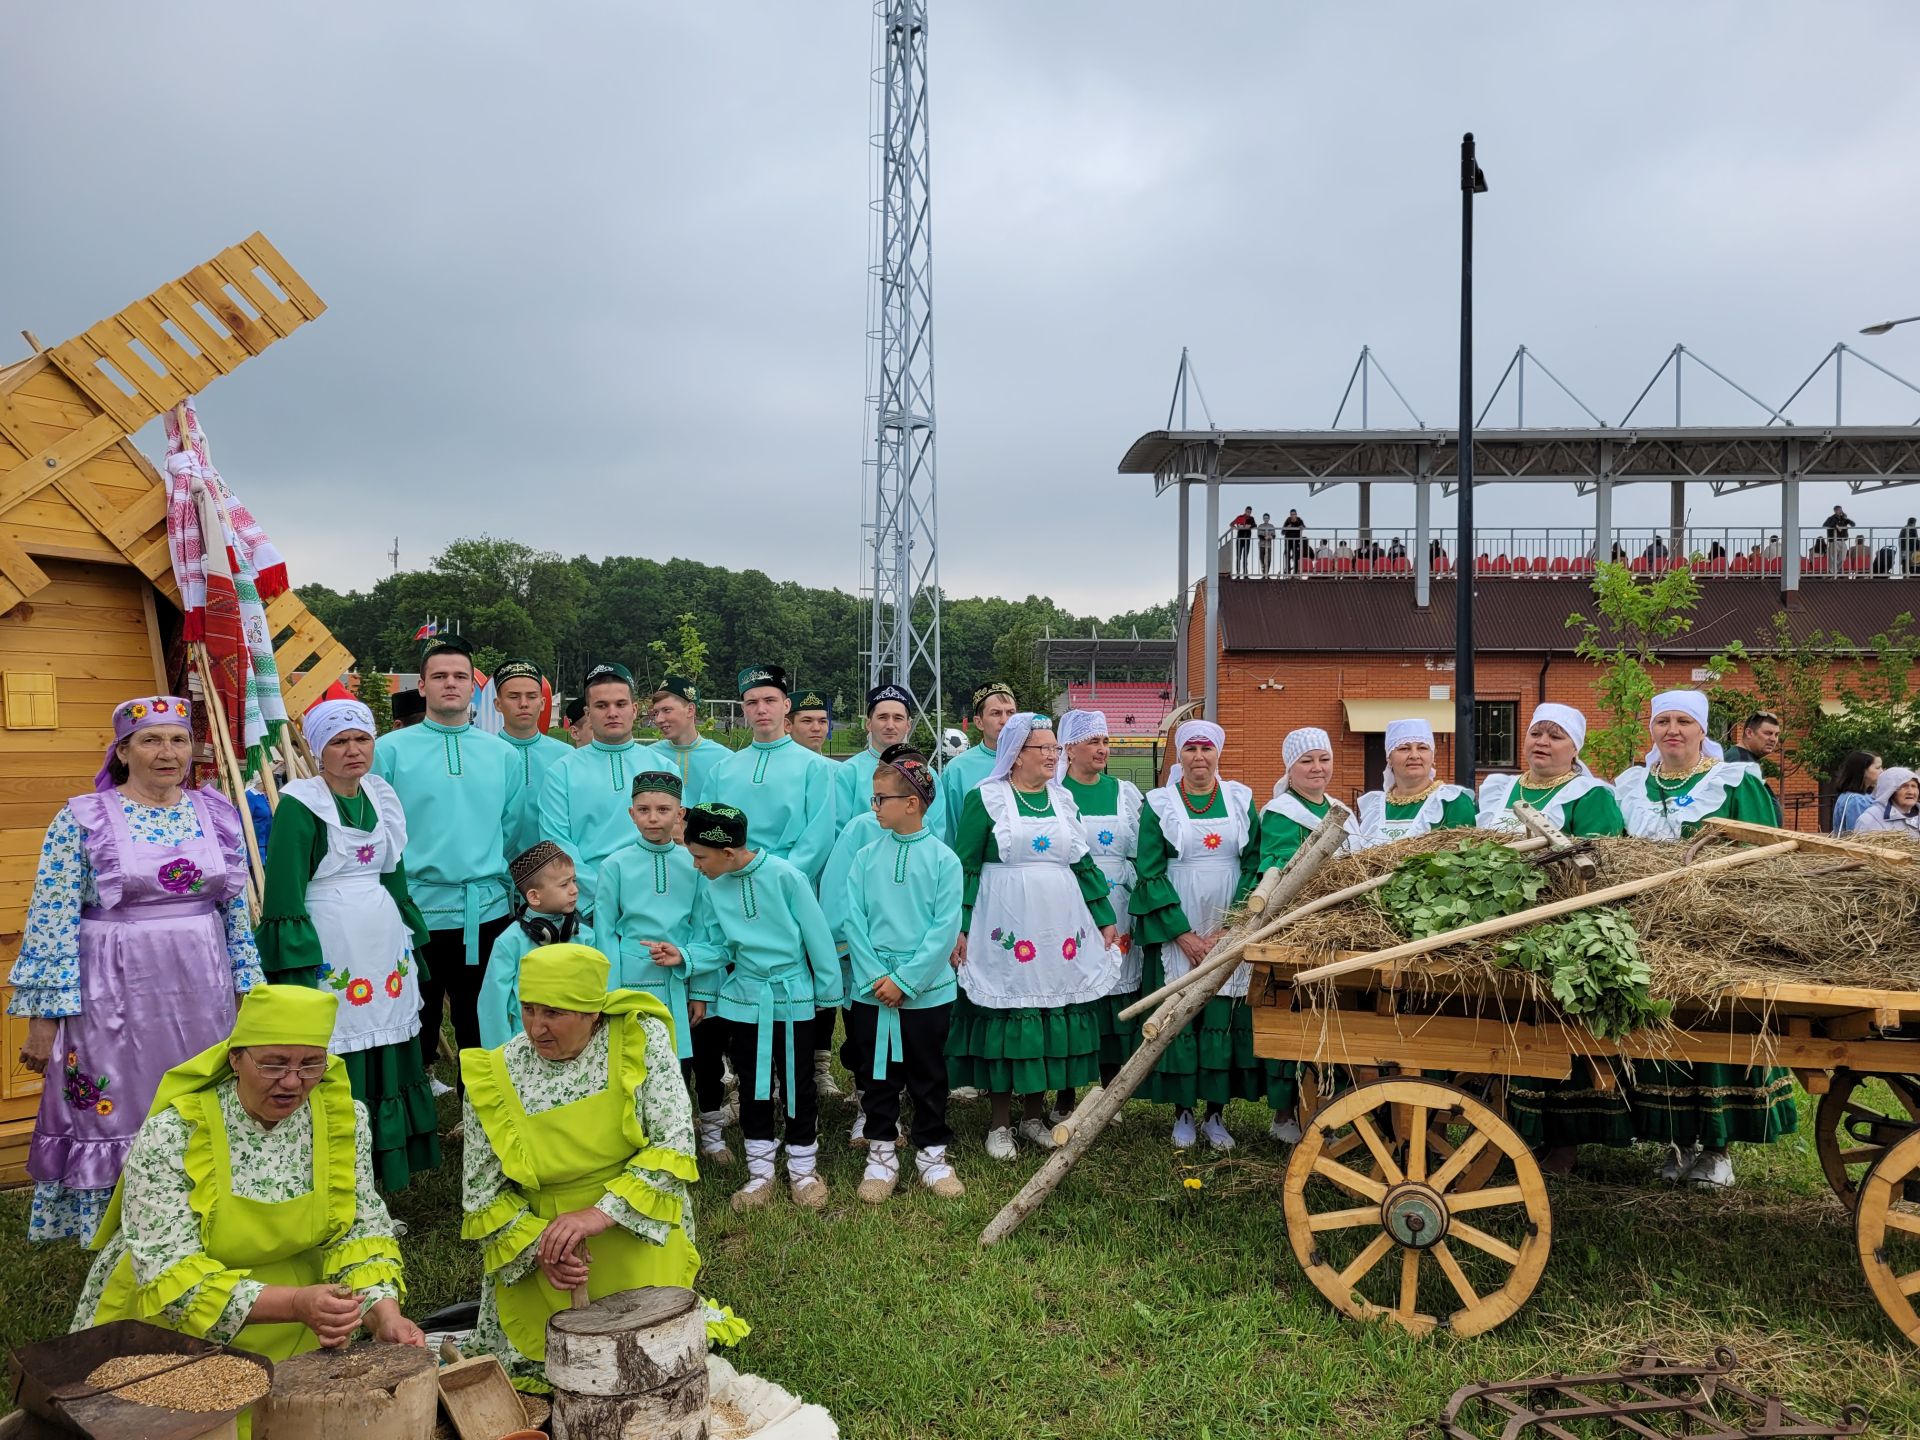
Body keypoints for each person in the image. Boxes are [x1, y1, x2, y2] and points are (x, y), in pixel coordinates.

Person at [74, 986, 420, 1395]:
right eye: (274, 1065)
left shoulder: (342, 1119)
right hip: (170, 1331)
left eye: (311, 1065)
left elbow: (360, 1229)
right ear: (236, 1058)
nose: (293, 1082)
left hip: (298, 1325)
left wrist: (384, 1315)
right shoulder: (177, 1132)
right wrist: (295, 1303)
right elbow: (167, 1270)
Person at [11, 694, 262, 1245]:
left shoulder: (215, 811)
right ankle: (122, 1234)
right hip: (113, 991)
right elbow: (51, 916)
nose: (167, 752)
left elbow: (234, 911)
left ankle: (204, 1216)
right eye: (150, 740)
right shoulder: (84, 817)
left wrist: (249, 985)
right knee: (118, 1101)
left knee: (203, 1093)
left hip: (203, 986)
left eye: (178, 739)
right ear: (123, 751)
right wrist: (45, 1018)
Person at [460, 945, 743, 1393]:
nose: (536, 1027)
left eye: (554, 1012)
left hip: (633, 1227)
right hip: (547, 1252)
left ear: (593, 1012)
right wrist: (542, 1246)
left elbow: (673, 1145)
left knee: (651, 1352)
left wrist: (599, 1214)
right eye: (528, 1008)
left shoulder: (637, 1039)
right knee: (552, 1370)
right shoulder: (495, 1076)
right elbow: (481, 1197)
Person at [1615, 690, 1792, 1189]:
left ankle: (1717, 1148)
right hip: (1649, 928)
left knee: (1716, 1030)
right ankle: (1679, 1140)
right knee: (1662, 1030)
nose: (1672, 730)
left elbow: (1765, 852)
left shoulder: (1733, 779)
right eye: (1663, 721)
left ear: (1703, 730)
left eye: (1684, 722)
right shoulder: (1631, 785)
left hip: (1720, 929)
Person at [259, 699, 438, 1191]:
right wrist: (296, 968)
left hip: (382, 945)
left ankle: (383, 1172)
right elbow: (285, 889)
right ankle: (337, 1172)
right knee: (340, 1046)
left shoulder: (380, 796)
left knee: (387, 1041)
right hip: (331, 941)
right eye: (339, 742)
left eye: (362, 739)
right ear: (318, 751)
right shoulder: (301, 804)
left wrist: (411, 941)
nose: (353, 751)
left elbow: (394, 873)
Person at [949, 713, 1121, 1160]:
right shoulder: (986, 799)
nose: (1051, 755)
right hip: (1004, 923)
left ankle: (1032, 1116)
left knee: (1049, 1012)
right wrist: (960, 926)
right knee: (1012, 1012)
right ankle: (1000, 1124)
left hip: (1059, 926)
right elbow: (965, 865)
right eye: (1041, 748)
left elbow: (1083, 864)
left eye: (1053, 748)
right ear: (1015, 755)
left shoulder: (1063, 800)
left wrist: (1103, 918)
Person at [1474, 703, 1630, 1171]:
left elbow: (1602, 864)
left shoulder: (1591, 794)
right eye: (1536, 733)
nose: (1542, 742)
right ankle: (1502, 1129)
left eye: (1555, 736)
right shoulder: (1499, 789)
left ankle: (1563, 1142)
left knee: (1556, 1030)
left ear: (1575, 748)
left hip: (1559, 926)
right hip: (1491, 923)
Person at [373, 636, 522, 1081]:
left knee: (482, 1026)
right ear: (421, 686)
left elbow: (507, 828)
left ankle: (482, 1127)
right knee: (411, 1025)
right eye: (439, 676)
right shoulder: (389, 751)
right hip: (412, 913)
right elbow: (379, 831)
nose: (450, 684)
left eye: (460, 676)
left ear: (473, 687)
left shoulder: (502, 754)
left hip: (485, 911)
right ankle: (412, 1132)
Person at [685, 803, 843, 1209]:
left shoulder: (787, 877)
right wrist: (684, 959)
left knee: (797, 1081)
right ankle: (760, 1173)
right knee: (753, 1083)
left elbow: (817, 936)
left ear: (728, 851)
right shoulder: (713, 887)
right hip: (746, 998)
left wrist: (825, 994)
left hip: (792, 996)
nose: (697, 866)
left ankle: (804, 1171)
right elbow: (716, 945)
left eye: (700, 857)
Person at [1131, 720, 1263, 1152]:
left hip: (1227, 920)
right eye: (1190, 749)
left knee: (1222, 1019)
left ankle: (1216, 1114)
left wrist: (1231, 927)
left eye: (1207, 749)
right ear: (1179, 756)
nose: (1199, 757)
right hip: (1180, 922)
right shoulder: (1160, 803)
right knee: (1182, 1015)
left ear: (1218, 753)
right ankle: (1183, 1112)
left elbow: (1253, 866)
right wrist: (1185, 936)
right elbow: (1149, 870)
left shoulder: (1241, 800)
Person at [842, 746, 965, 1203]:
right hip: (874, 990)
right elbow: (852, 919)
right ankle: (881, 1154)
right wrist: (878, 977)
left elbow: (943, 928)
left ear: (911, 803)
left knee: (928, 1073)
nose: (874, 807)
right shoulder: (866, 858)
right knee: (877, 1076)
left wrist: (907, 981)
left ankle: (932, 1153)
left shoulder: (943, 860)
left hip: (927, 991)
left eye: (880, 799)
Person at [596, 771, 730, 1166]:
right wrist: (613, 990)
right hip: (634, 981)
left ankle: (710, 1129)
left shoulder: (695, 864)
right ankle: (649, 1132)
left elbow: (707, 926)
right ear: (631, 813)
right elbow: (605, 930)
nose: (654, 818)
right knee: (641, 1060)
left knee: (703, 1058)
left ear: (680, 813)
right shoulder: (615, 865)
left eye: (663, 809)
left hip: (685, 976)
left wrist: (702, 989)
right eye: (644, 810)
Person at [1254, 728, 1362, 1141]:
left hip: (1342, 925)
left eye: (1324, 759)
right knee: (1295, 1019)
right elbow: (1279, 863)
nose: (1317, 768)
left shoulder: (1338, 808)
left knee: (1336, 1021)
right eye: (1307, 761)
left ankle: (1327, 1110)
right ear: (1290, 768)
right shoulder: (1281, 811)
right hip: (1301, 924)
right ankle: (1286, 1114)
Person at [1054, 709, 1144, 1113]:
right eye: (1093, 742)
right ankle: (1067, 1093)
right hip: (1070, 905)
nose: (1102, 749)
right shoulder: (1055, 793)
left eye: (1106, 741)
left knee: (1114, 996)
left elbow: (1140, 850)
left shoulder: (1126, 793)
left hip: (1119, 907)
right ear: (1069, 749)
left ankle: (1112, 1092)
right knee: (1073, 996)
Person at [539, 663, 655, 921]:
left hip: (651, 900)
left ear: (634, 710)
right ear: (588, 713)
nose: (612, 712)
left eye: (620, 704)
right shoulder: (561, 772)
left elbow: (675, 837)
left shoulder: (662, 768)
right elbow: (557, 842)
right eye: (602, 706)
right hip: (585, 906)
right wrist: (601, 895)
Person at [479, 841, 595, 1050]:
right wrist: (500, 1054)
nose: (574, 890)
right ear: (533, 896)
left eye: (574, 881)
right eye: (564, 884)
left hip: (579, 1043)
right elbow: (492, 1007)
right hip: (526, 1043)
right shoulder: (510, 942)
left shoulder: (585, 936)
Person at [1353, 717, 1476, 848]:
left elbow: (1462, 861)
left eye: (1422, 748)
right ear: (1389, 757)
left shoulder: (1453, 802)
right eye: (1404, 748)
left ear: (1433, 756)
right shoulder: (1374, 807)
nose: (1414, 755)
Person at [494, 659, 570, 857]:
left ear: (543, 703)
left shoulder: (568, 756)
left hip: (554, 875)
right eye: (513, 696)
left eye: (531, 696)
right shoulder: (483, 754)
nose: (524, 704)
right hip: (495, 875)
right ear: (497, 704)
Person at [932, 681, 1018, 845]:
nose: (1005, 720)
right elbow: (949, 829)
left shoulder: (1033, 760)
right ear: (979, 722)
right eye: (996, 713)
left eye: (1011, 713)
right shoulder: (958, 769)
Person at [834, 682, 916, 832]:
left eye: (898, 718)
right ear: (869, 724)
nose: (890, 725)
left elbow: (935, 831)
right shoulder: (849, 772)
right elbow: (839, 831)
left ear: (908, 725)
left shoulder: (923, 773)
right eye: (883, 717)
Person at [645, 675, 728, 809]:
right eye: (656, 713)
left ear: (690, 710)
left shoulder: (724, 759)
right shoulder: (649, 756)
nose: (659, 719)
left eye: (667, 710)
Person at [1722, 709, 1784, 824]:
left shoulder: (1742, 758)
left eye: (1776, 735)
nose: (1773, 739)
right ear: (1749, 733)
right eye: (1768, 733)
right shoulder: (1740, 762)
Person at [1852, 766, 1920, 835]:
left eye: (1914, 786)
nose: (1911, 792)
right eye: (1903, 786)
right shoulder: (1871, 819)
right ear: (1889, 790)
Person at [1829, 750, 1883, 835]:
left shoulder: (1852, 796)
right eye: (1877, 768)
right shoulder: (1856, 801)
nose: (1882, 771)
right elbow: (1859, 835)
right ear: (1863, 771)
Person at [1230, 505, 1256, 577]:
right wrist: (1237, 528)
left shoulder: (1251, 518)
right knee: (1238, 556)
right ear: (1245, 511)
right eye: (1247, 511)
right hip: (1239, 539)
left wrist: (1249, 526)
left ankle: (1245, 574)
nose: (1248, 513)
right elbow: (1231, 524)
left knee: (1245, 557)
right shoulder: (1240, 517)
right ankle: (1238, 574)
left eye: (1250, 512)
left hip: (1247, 539)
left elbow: (1255, 525)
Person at [1281, 508, 1306, 574]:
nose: (1293, 516)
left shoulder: (1299, 520)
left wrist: (1301, 526)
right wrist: (1287, 528)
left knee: (1296, 557)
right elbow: (1282, 532)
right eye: (1292, 514)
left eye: (1294, 514)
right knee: (1287, 556)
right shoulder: (1288, 520)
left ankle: (1295, 573)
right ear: (1290, 515)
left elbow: (1304, 526)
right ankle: (1288, 572)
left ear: (1296, 515)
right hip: (1288, 541)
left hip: (1296, 541)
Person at [1256, 513, 1277, 577]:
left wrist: (1270, 537)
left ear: (1269, 518)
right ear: (1263, 519)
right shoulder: (1260, 526)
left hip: (1268, 546)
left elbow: (1274, 536)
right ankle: (1264, 573)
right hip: (1261, 545)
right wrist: (1264, 537)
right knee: (1262, 560)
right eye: (1265, 518)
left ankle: (1266, 574)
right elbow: (1259, 535)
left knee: (1269, 560)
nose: (1266, 519)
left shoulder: (1271, 526)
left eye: (1267, 518)